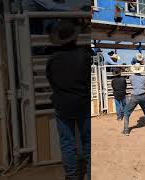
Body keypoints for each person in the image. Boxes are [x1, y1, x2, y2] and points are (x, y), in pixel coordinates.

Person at [46, 20, 90, 179]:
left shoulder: (53, 59)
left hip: (63, 105)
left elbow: (52, 82)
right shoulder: (85, 55)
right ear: (74, 37)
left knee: (67, 143)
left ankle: (71, 176)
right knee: (88, 141)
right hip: (83, 103)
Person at [123, 63, 145, 136]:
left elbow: (132, 84)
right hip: (142, 95)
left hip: (135, 96)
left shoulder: (131, 77)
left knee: (127, 112)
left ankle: (126, 130)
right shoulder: (144, 77)